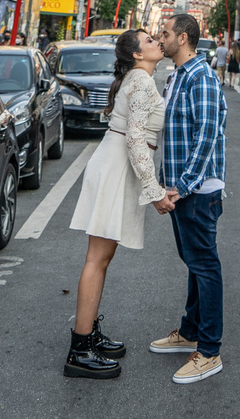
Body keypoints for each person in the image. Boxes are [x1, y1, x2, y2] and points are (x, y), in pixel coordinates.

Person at [66, 28, 175, 380]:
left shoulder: (137, 77)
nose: (158, 42)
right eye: (149, 41)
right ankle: (79, 349)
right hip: (117, 169)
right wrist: (154, 190)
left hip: (114, 166)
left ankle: (89, 334)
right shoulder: (141, 82)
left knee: (102, 258)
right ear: (137, 55)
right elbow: (136, 139)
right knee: (97, 259)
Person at [150, 12, 228, 386]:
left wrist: (181, 186)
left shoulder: (203, 78)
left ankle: (209, 351)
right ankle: (190, 330)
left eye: (164, 34)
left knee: (204, 265)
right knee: (194, 262)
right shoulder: (176, 76)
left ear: (182, 38)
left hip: (198, 190)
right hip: (180, 187)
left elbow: (207, 136)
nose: (159, 38)